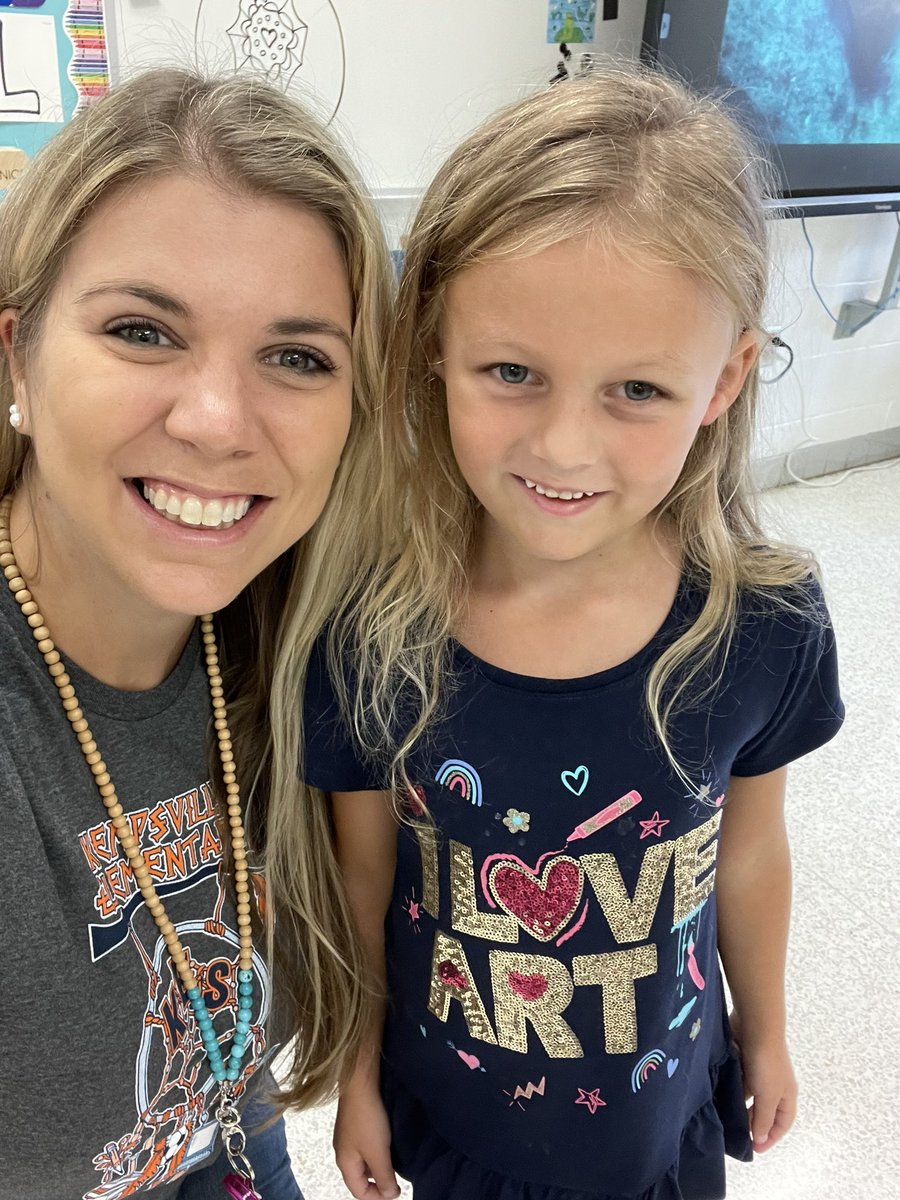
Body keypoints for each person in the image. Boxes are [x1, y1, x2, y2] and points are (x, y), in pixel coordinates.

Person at [300, 67, 845, 1200]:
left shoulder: (765, 622)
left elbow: (749, 850)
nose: (562, 447)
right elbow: (361, 879)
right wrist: (352, 1074)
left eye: (636, 390)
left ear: (725, 378)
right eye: (512, 372)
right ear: (433, 345)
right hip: (455, 1129)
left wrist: (769, 1030)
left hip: (663, 1128)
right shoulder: (365, 636)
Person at [0, 67, 392, 1199]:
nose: (218, 423)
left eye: (298, 357)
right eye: (142, 331)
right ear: (16, 357)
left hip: (225, 1137)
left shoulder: (307, 640)